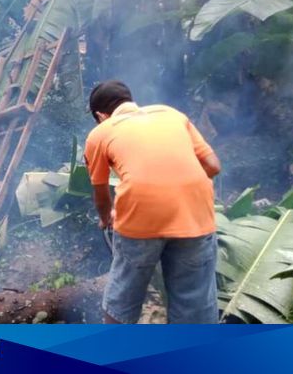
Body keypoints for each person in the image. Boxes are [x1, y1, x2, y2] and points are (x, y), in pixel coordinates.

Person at [84, 80, 222, 324]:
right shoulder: (172, 114)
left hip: (140, 218)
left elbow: (101, 190)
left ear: (100, 115)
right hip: (195, 215)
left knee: (123, 296)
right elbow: (213, 165)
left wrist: (106, 218)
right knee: (195, 303)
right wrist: (180, 188)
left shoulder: (100, 133)